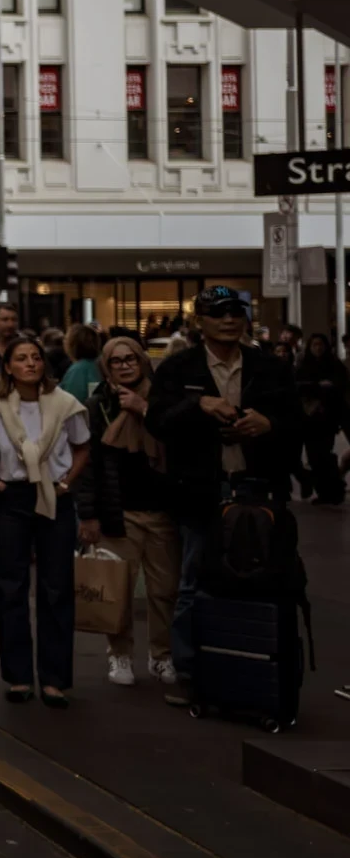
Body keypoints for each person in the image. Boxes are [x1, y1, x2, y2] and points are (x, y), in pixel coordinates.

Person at [146, 287, 297, 705]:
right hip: (201, 491)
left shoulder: (270, 367)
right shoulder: (179, 368)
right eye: (218, 313)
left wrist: (268, 425)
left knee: (265, 578)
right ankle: (189, 670)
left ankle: (257, 666)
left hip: (260, 489)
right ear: (201, 321)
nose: (229, 320)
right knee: (195, 581)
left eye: (237, 312)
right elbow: (157, 421)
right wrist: (199, 406)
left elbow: (297, 421)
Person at [0, 333, 91, 707]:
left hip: (54, 497)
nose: (30, 363)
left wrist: (66, 482)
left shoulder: (64, 403)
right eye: (21, 358)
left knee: (56, 588)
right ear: (7, 367)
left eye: (36, 357)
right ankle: (19, 677)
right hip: (12, 498)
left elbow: (83, 448)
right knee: (10, 587)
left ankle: (55, 680)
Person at [84, 336, 179, 687]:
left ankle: (161, 655)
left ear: (143, 361)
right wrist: (88, 515)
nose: (124, 365)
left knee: (164, 590)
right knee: (118, 591)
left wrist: (143, 408)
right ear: (106, 368)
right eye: (116, 361)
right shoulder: (99, 406)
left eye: (131, 359)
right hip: (119, 512)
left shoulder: (163, 400)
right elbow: (89, 465)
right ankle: (120, 655)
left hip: (161, 511)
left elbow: (178, 441)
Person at [293, 331, 346, 504]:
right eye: (314, 345)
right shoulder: (304, 366)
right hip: (309, 420)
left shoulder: (333, 365)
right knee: (314, 457)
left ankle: (332, 491)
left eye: (320, 345)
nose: (318, 348)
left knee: (325, 455)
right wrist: (318, 386)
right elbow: (297, 387)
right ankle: (323, 491)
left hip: (327, 419)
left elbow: (339, 386)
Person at [59, 324, 102, 404]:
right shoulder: (97, 364)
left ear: (71, 344)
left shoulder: (78, 369)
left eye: (65, 339)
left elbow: (72, 402)